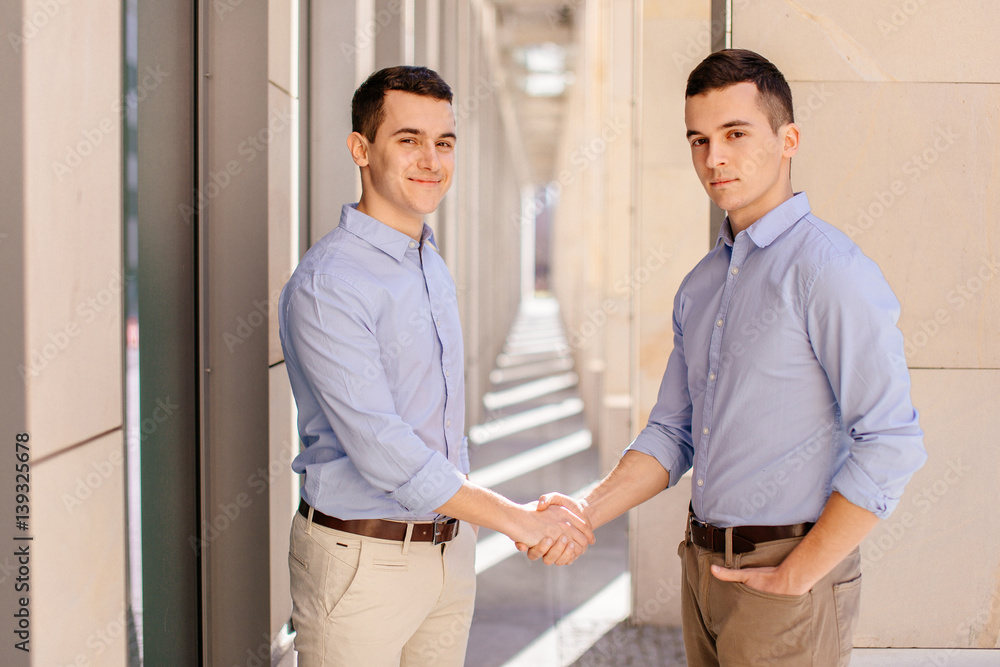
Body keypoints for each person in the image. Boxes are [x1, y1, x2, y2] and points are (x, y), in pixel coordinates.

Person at [526, 49, 927, 666]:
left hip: (788, 574)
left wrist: (799, 576)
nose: (714, 158)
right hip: (703, 569)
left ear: (788, 138)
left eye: (735, 134)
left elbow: (892, 441)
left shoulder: (831, 272)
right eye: (698, 139)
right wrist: (585, 509)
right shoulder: (702, 284)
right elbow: (672, 431)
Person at [279, 65, 594, 667]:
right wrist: (517, 520)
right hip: (361, 566)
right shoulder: (330, 284)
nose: (431, 159)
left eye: (443, 142)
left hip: (449, 552)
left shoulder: (428, 261)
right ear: (360, 149)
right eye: (408, 139)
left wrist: (478, 527)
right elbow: (382, 448)